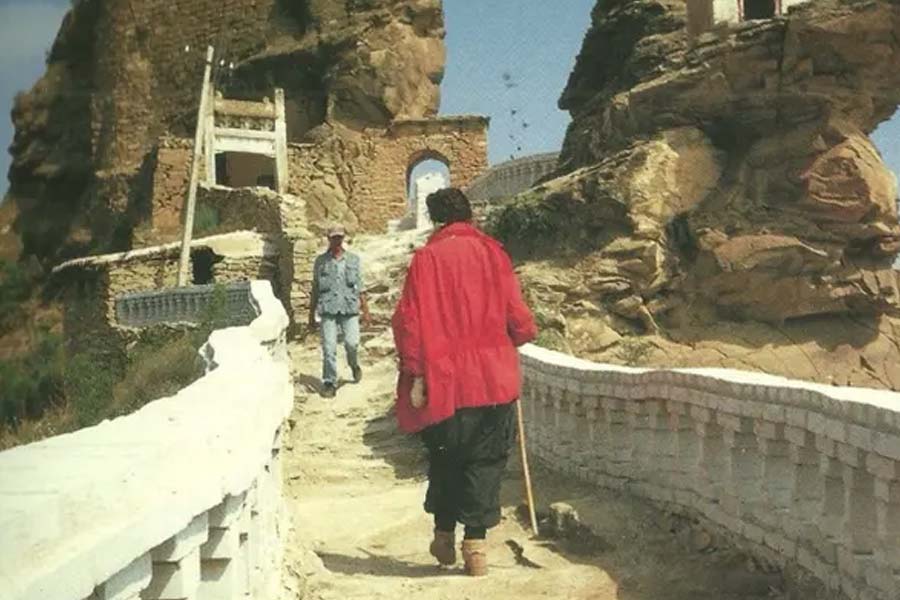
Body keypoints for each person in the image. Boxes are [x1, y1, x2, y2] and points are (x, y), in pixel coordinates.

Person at [391, 187, 538, 576]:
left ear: (436, 220)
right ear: (469, 215)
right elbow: (516, 313)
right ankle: (475, 547)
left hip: (444, 381)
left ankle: (443, 533)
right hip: (493, 378)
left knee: (445, 457)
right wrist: (523, 331)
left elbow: (409, 320)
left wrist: (415, 371)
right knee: (486, 460)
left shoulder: (426, 259)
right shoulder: (493, 252)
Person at [308, 224, 371, 398]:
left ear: (343, 238)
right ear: (328, 239)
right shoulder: (320, 262)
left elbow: (361, 286)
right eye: (333, 237)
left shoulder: (353, 260)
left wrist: (366, 311)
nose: (337, 241)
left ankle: (354, 365)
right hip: (328, 308)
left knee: (352, 343)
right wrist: (310, 315)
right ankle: (330, 382)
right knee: (329, 348)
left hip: (349, 308)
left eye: (339, 237)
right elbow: (315, 288)